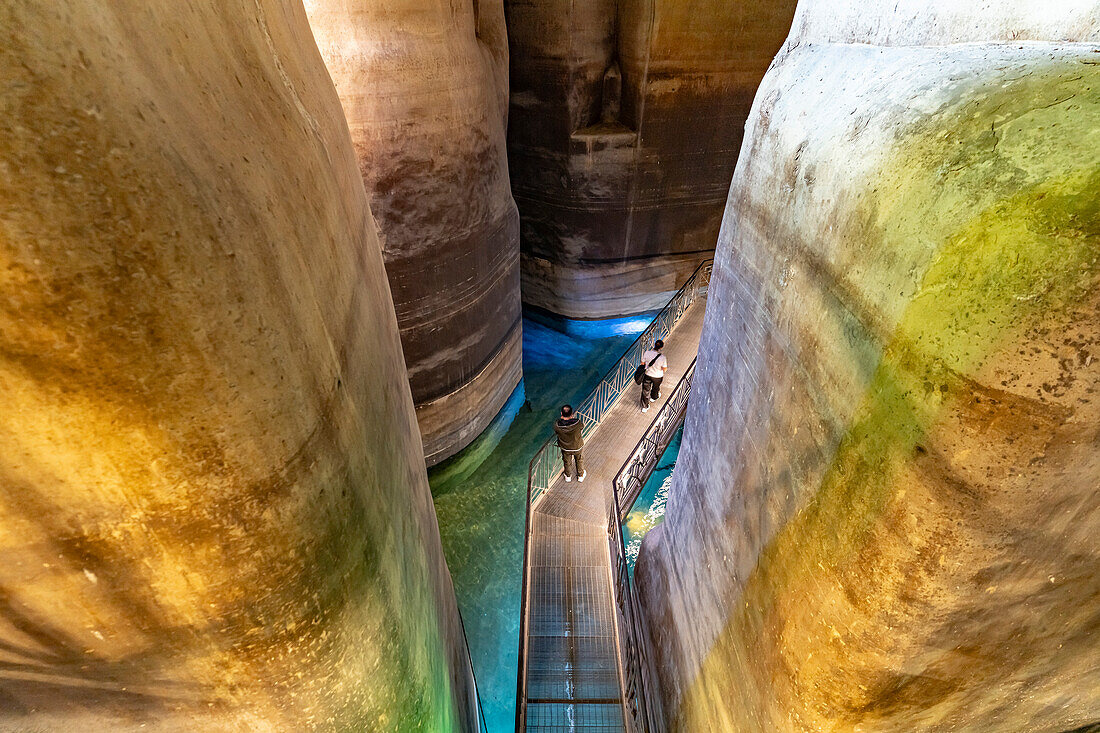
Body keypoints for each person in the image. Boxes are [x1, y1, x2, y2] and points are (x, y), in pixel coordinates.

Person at [554, 404, 586, 482]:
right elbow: (582, 426)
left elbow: (556, 431)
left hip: (565, 448)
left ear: (561, 413)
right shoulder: (577, 423)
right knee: (579, 459)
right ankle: (580, 475)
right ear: (572, 414)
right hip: (577, 446)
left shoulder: (557, 425)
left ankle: (568, 476)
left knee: (567, 461)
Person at [639, 339, 667, 412]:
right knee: (656, 387)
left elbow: (642, 363)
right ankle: (653, 397)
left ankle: (645, 407)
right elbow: (664, 369)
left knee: (645, 390)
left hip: (647, 374)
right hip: (657, 376)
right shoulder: (662, 358)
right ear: (661, 347)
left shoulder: (647, 353)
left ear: (654, 345)